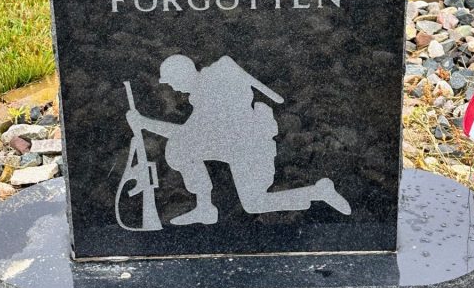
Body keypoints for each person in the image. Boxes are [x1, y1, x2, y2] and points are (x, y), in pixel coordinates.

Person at [125, 54, 351, 226]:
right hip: (234, 144)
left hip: (252, 148)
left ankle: (318, 192)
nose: (173, 88)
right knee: (180, 148)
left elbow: (186, 132)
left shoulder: (209, 93)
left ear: (182, 75)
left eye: (172, 82)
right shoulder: (206, 88)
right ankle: (205, 208)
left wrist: (144, 122)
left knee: (254, 203)